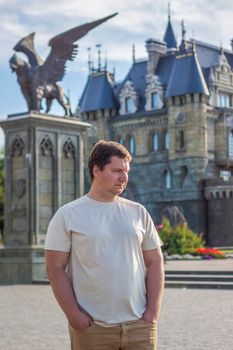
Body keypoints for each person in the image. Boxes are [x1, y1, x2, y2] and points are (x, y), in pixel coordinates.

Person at [45, 140, 164, 350]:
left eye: (126, 171)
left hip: (139, 326)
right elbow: (54, 268)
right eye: (117, 170)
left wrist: (152, 312)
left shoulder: (138, 212)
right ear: (97, 171)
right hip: (92, 328)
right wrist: (74, 316)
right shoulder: (68, 214)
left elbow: (155, 262)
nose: (124, 177)